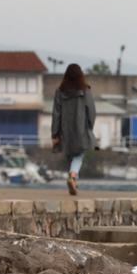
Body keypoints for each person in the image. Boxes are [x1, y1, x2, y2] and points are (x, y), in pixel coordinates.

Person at [51, 63, 96, 196]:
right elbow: (91, 111)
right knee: (79, 155)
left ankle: (74, 181)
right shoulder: (85, 91)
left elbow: (56, 114)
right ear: (80, 75)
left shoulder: (59, 92)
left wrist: (55, 133)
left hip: (65, 130)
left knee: (71, 155)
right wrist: (89, 126)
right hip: (81, 128)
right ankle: (73, 176)